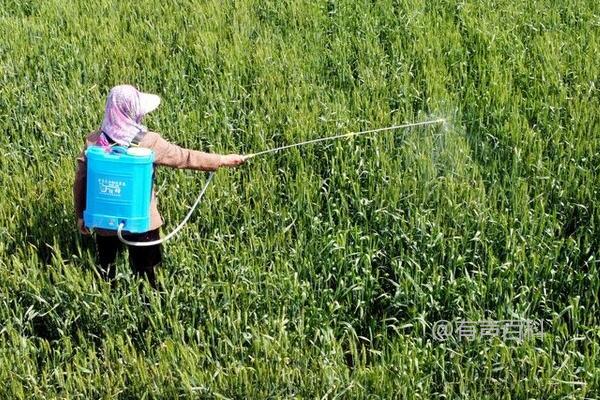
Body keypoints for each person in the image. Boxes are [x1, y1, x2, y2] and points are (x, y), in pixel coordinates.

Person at [73, 84, 246, 288]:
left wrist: (81, 215)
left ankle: (109, 302)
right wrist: (221, 160)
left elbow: (80, 181)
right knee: (149, 275)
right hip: (142, 222)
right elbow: (185, 157)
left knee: (106, 271)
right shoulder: (148, 142)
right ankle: (151, 309)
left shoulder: (94, 142)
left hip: (104, 222)